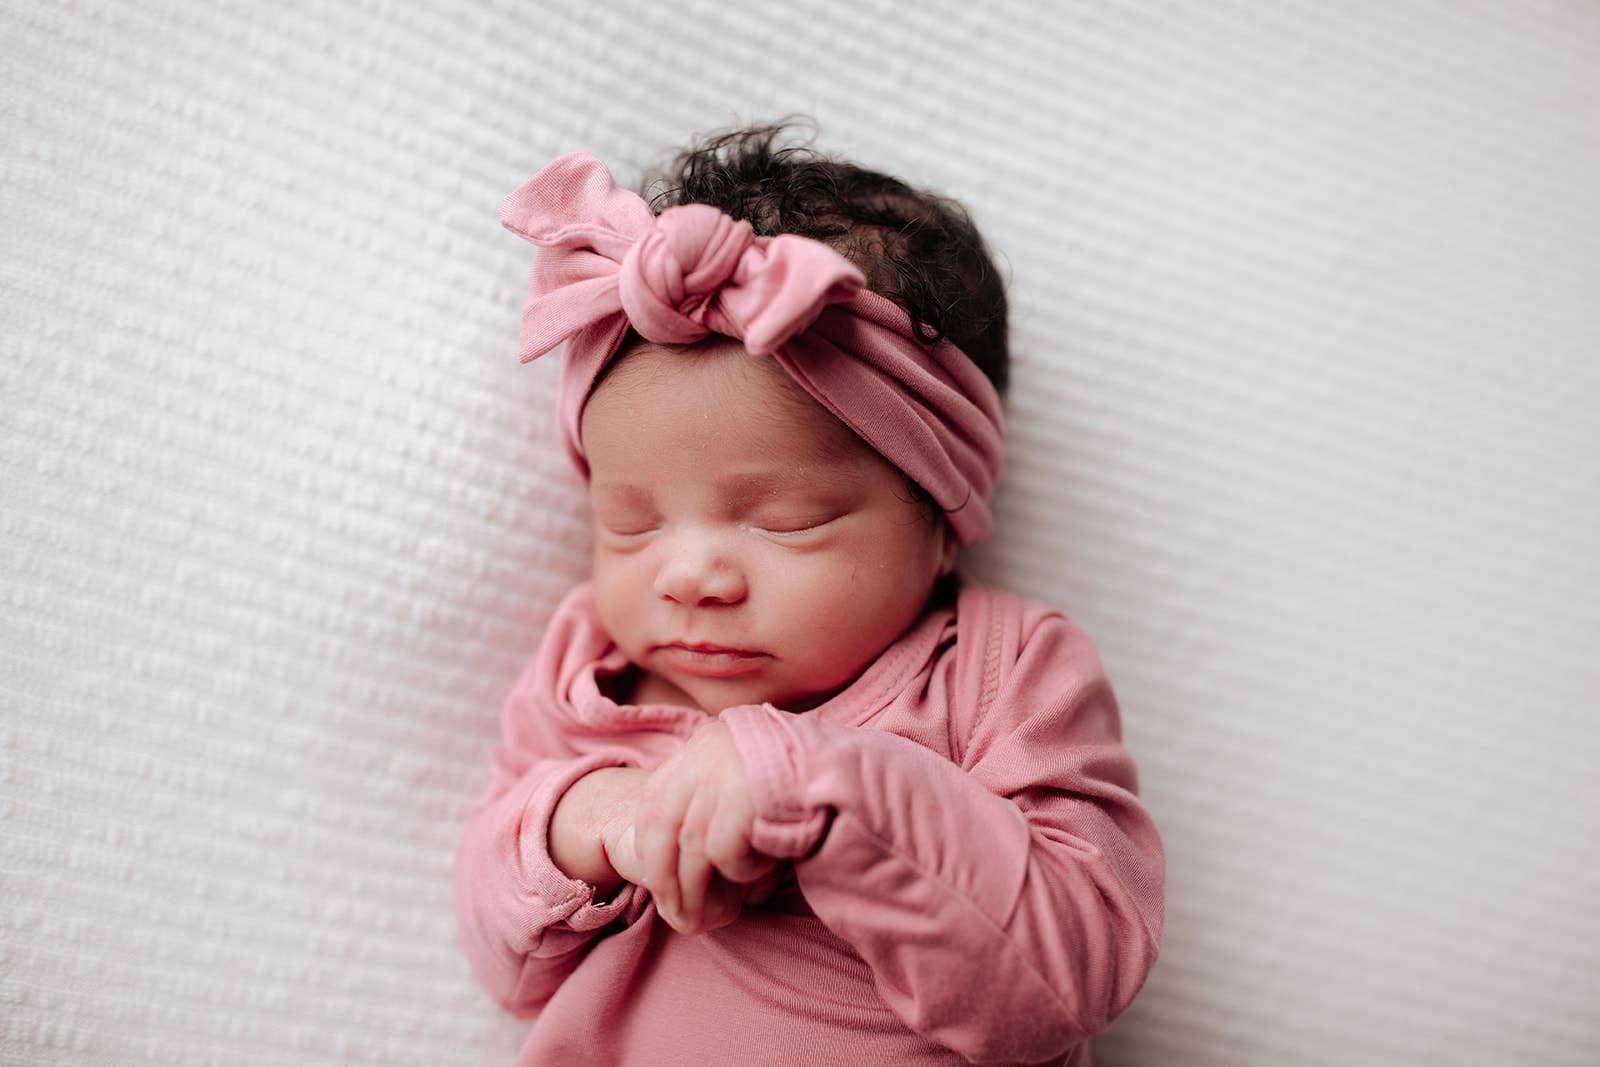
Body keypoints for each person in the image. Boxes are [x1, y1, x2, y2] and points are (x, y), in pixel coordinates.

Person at [453, 121, 1164, 1066]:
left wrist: (815, 785)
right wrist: (581, 821)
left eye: (785, 521)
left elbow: (1075, 971)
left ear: (941, 517)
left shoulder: (1001, 669)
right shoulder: (592, 666)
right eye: (631, 523)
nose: (689, 575)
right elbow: (505, 968)